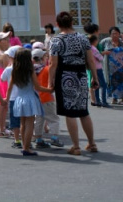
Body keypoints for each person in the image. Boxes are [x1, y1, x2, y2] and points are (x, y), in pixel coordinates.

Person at [47, 11, 99, 155]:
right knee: (83, 111)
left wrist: (49, 82)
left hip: (65, 77)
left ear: (57, 24)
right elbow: (90, 60)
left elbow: (53, 64)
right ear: (72, 23)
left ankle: (76, 146)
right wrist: (95, 78)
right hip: (81, 75)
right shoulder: (83, 38)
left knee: (69, 112)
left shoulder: (56, 40)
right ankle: (92, 143)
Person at [8, 48, 49, 156]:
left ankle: (24, 145)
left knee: (22, 123)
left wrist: (6, 99)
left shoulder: (14, 70)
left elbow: (10, 87)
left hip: (19, 98)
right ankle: (27, 147)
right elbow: (37, 87)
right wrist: (50, 89)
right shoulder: (30, 70)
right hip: (30, 98)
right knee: (30, 123)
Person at [103, 26, 123, 105]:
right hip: (111, 67)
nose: (114, 35)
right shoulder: (106, 42)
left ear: (119, 34)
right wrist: (103, 53)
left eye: (116, 33)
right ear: (110, 35)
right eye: (112, 34)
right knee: (113, 83)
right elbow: (99, 50)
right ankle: (114, 98)